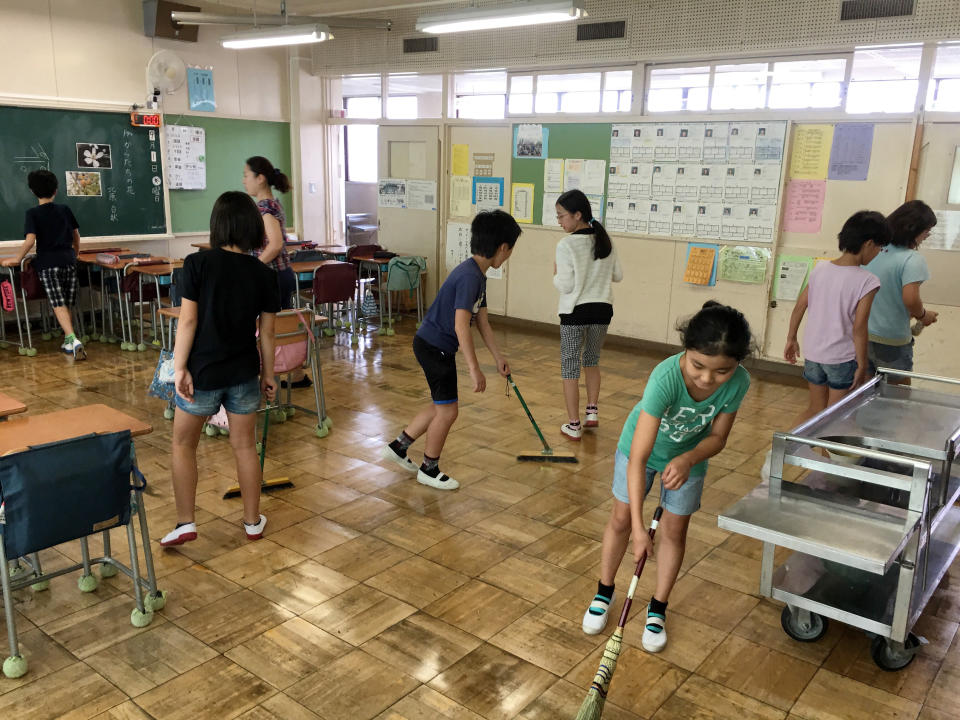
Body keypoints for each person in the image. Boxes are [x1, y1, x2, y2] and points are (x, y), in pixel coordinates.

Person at [582, 301, 753, 653]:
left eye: (722, 370)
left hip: (690, 457)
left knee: (675, 532)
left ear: (738, 363)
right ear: (685, 350)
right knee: (620, 521)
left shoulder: (739, 383)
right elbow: (639, 457)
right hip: (639, 451)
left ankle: (657, 608)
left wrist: (689, 458)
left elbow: (718, 438)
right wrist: (639, 528)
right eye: (698, 366)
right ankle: (604, 591)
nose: (707, 378)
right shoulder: (665, 378)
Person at [160, 192, 279, 547]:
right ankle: (252, 521)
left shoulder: (196, 264)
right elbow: (268, 333)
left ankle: (185, 523)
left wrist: (179, 367)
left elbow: (188, 321)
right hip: (244, 372)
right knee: (245, 446)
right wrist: (268, 375)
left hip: (202, 374)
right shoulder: (263, 274)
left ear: (217, 225)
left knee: (183, 444)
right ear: (252, 229)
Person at [379, 210, 520, 490]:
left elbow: (481, 321)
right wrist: (474, 369)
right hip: (435, 348)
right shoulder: (470, 277)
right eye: (511, 250)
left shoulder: (477, 276)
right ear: (502, 247)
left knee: (440, 405)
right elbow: (460, 326)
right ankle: (429, 468)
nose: (509, 256)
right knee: (449, 411)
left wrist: (498, 358)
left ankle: (399, 446)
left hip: (431, 345)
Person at [784, 211, 889, 424]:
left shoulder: (820, 269)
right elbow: (859, 327)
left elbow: (799, 307)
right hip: (842, 359)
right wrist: (861, 363)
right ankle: (823, 457)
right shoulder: (868, 281)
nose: (879, 253)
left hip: (814, 355)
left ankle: (782, 450)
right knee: (836, 417)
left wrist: (791, 338)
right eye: (880, 248)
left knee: (815, 409)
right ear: (869, 244)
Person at [553, 190, 623, 439]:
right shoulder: (605, 239)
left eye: (561, 216)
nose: (559, 221)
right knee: (592, 360)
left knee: (570, 366)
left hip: (575, 312)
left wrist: (554, 273)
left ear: (577, 215)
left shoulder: (566, 244)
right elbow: (618, 276)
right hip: (602, 310)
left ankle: (574, 425)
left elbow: (565, 286)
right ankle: (592, 411)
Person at [242, 156, 309, 389]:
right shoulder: (273, 203)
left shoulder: (265, 208)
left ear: (260, 179)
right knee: (280, 327)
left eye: (246, 175)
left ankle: (279, 373)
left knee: (272, 329)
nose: (244, 181)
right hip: (280, 275)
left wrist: (254, 266)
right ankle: (295, 373)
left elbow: (276, 244)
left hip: (272, 278)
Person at [11, 170, 85, 359]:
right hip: (68, 260)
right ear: (56, 189)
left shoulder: (33, 213)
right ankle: (69, 341)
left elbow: (30, 241)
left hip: (48, 264)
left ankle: (72, 338)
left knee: (58, 303)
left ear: (32, 191)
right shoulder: (65, 209)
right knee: (67, 302)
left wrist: (17, 259)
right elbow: (76, 236)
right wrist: (74, 253)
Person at [865, 200, 939, 383]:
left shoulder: (872, 251)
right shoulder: (912, 259)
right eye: (927, 230)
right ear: (912, 229)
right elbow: (911, 299)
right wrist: (923, 316)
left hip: (862, 335)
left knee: (864, 395)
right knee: (898, 398)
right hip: (892, 341)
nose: (928, 235)